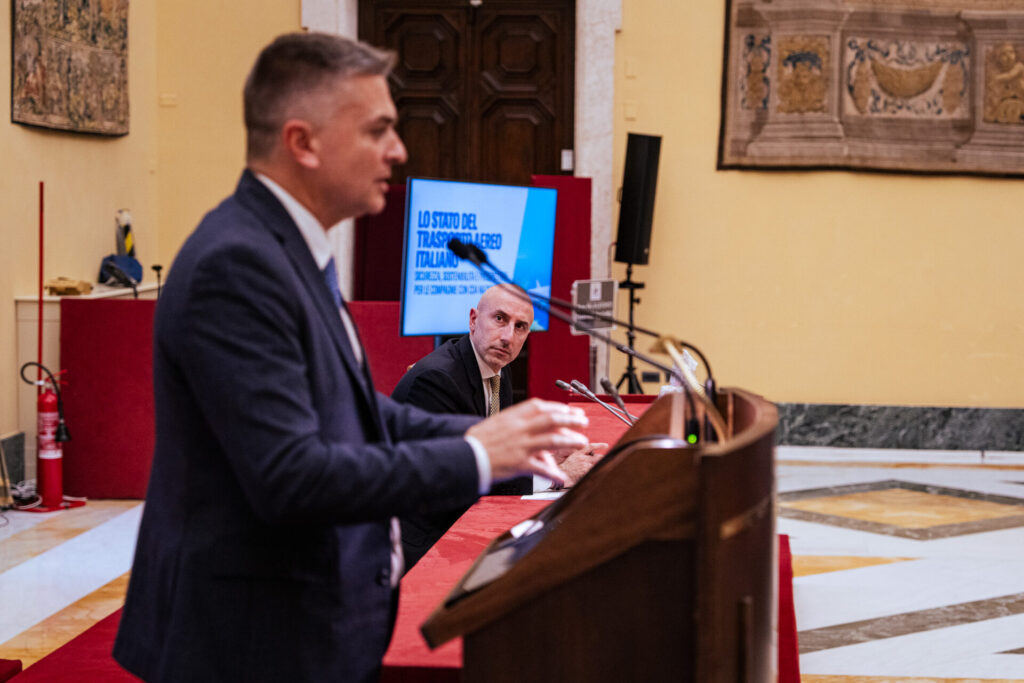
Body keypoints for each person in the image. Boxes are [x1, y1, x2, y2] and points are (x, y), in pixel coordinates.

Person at [112, 32, 588, 683]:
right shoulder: (238, 264)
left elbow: (363, 412)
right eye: (377, 129)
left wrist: (506, 440)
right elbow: (290, 475)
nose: (398, 149)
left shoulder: (290, 249)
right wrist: (479, 455)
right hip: (246, 639)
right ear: (303, 142)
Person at [392, 283, 604, 570]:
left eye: (520, 327)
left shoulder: (498, 371)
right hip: (423, 541)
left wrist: (545, 459)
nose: (508, 337)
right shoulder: (438, 380)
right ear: (473, 320)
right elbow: (463, 476)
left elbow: (493, 453)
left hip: (464, 522)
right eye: (500, 319)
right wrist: (556, 477)